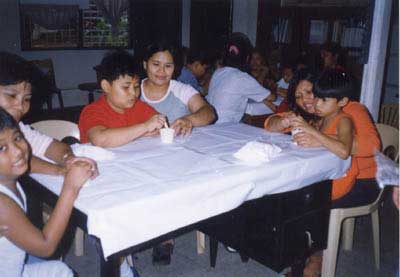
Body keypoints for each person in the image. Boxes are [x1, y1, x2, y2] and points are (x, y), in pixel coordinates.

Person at [0, 107, 93, 276]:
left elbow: (29, 162)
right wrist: (70, 188)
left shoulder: (7, 174)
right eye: (1, 148)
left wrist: (61, 170)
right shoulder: (2, 205)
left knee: (60, 271)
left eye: (18, 137)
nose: (18, 151)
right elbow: (45, 247)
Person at [0, 52, 98, 176]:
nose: (20, 106)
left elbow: (49, 146)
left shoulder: (15, 126)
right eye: (11, 96)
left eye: (26, 99)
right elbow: (16, 158)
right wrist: (59, 170)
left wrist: (69, 159)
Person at [78, 50, 167, 148]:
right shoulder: (93, 111)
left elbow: (160, 124)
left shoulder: (138, 106)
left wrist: (154, 128)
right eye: (126, 87)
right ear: (106, 86)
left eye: (136, 86)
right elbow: (101, 140)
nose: (133, 93)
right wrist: (145, 127)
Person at [140, 41, 216, 136]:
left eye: (168, 66)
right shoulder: (132, 90)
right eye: (156, 64)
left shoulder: (182, 90)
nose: (161, 71)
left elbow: (209, 113)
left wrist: (189, 120)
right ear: (145, 64)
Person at [206, 33, 276, 124]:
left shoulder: (218, 72)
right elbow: (272, 98)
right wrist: (274, 90)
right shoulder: (242, 77)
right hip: (224, 125)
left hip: (210, 122)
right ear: (247, 59)